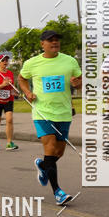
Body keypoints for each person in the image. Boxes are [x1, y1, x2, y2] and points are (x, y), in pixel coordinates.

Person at [18, 30, 82, 206]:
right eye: (50, 40)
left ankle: (43, 166)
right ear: (42, 44)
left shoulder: (70, 61)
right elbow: (21, 78)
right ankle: (58, 192)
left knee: (58, 153)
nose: (54, 42)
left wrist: (78, 83)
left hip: (64, 113)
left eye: (57, 40)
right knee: (50, 147)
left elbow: (80, 81)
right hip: (42, 113)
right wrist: (27, 92)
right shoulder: (32, 63)